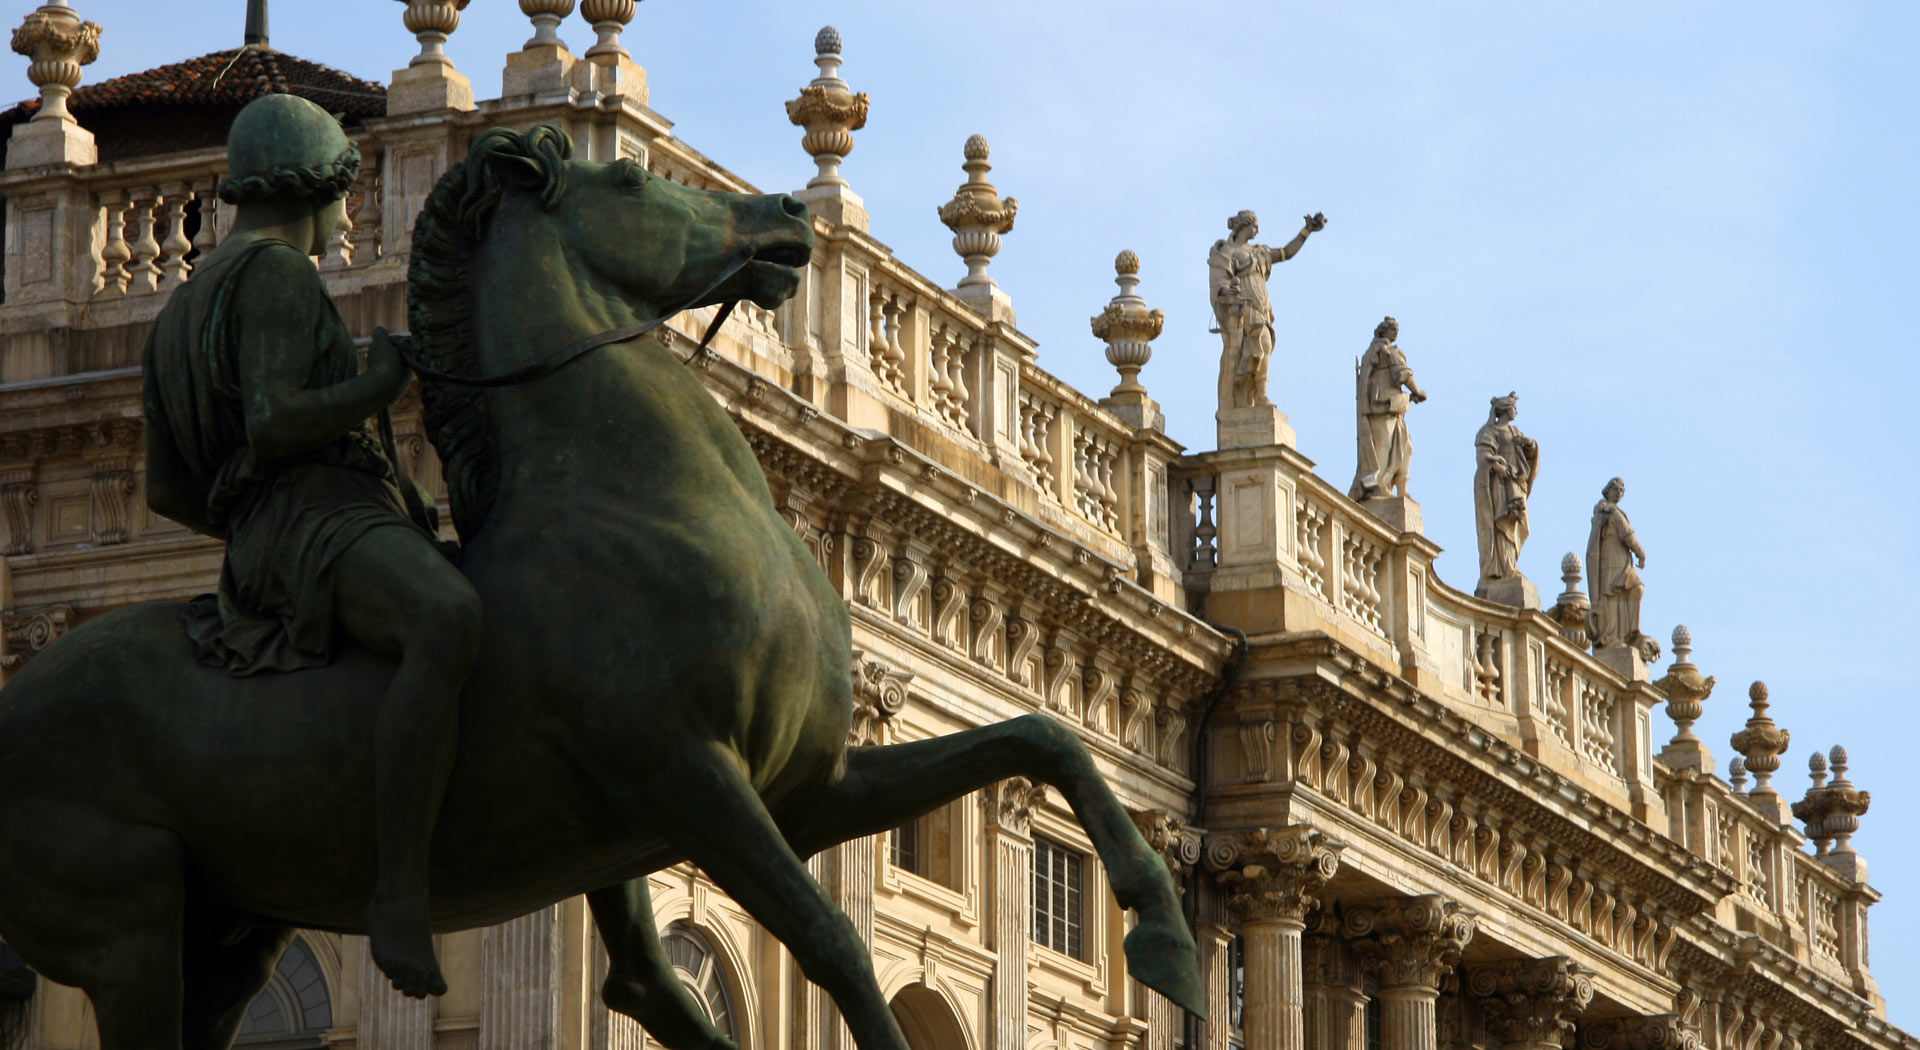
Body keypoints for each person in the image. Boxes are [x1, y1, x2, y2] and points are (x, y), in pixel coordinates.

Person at [141, 94, 480, 999]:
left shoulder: (179, 309)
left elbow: (165, 488)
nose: (346, 214)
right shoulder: (279, 277)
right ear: (318, 186)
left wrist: (246, 522)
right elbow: (278, 418)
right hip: (318, 520)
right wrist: (374, 384)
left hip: (263, 538)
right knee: (446, 617)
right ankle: (402, 890)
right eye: (344, 191)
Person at [1208, 208, 1325, 410]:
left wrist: (1306, 231)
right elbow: (1218, 283)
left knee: (1264, 346)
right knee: (1259, 346)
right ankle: (1257, 395)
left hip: (1261, 308)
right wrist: (1228, 291)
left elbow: (1287, 252)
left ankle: (1257, 393)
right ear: (1244, 225)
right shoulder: (1227, 252)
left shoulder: (1258, 251)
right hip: (1243, 306)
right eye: (1255, 227)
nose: (1257, 231)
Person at [1348, 317, 1425, 500]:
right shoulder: (1385, 349)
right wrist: (1417, 391)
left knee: (1405, 446)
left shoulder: (1375, 350)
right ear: (1385, 331)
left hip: (1394, 406)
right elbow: (1402, 372)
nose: (1396, 332)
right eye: (1393, 329)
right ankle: (1379, 485)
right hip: (1383, 405)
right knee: (1384, 445)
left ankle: (1399, 487)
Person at [1473, 392, 1538, 590]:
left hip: (1515, 484)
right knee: (1503, 524)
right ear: (1505, 409)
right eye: (1514, 407)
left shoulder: (1515, 431)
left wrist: (1530, 446)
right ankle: (1505, 568)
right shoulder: (1488, 432)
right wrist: (1496, 464)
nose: (1516, 411)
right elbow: (1483, 456)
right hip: (1499, 485)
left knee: (1518, 524)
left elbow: (1530, 454)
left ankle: (1511, 564)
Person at [1584, 477, 1647, 650]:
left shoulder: (1610, 511)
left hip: (1619, 559)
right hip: (1611, 559)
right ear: (1608, 491)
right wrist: (1641, 553)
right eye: (1616, 489)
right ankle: (1613, 636)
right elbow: (1627, 536)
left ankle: (1629, 633)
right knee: (1614, 595)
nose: (1619, 493)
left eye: (1622, 490)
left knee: (1631, 590)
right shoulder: (1611, 512)